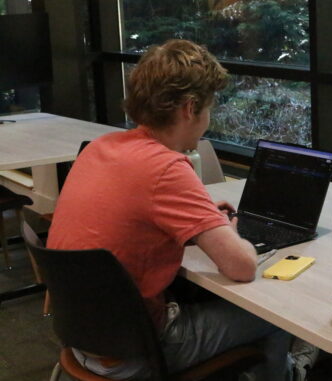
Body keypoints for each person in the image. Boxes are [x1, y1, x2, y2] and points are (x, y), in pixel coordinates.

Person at [47, 39, 291, 380]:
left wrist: (197, 221)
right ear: (190, 108)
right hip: (139, 351)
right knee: (278, 316)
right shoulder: (166, 168)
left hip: (83, 339)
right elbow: (242, 266)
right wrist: (230, 231)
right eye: (209, 108)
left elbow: (130, 221)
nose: (209, 117)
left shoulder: (100, 148)